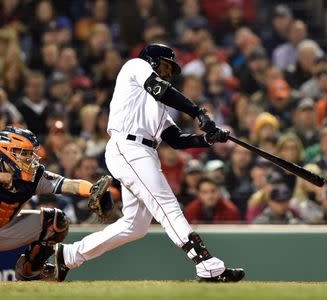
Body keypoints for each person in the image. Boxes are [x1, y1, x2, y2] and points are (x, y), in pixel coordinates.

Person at [54, 43, 244, 282]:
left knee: (135, 225)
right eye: (166, 65)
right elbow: (159, 88)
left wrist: (207, 139)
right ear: (152, 60)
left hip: (143, 151)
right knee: (167, 204)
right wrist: (197, 112)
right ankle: (206, 264)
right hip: (128, 146)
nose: (168, 72)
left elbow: (175, 139)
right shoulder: (136, 66)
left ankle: (70, 254)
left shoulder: (158, 103)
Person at [0, 126, 110, 281]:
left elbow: (69, 184)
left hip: (1, 232)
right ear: (9, 151)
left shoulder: (34, 176)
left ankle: (31, 273)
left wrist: (92, 190)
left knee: (56, 221)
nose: (30, 159)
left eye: (31, 153)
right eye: (25, 153)